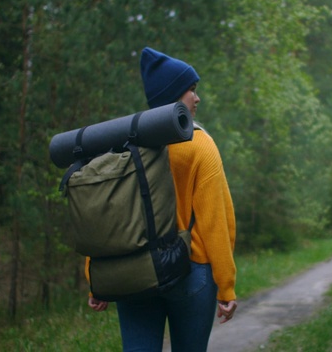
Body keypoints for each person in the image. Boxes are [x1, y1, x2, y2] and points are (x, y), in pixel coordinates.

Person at [87, 47, 238, 352]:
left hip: (133, 272)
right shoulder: (200, 145)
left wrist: (96, 274)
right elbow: (215, 223)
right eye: (191, 90)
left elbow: (105, 216)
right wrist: (226, 283)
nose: (197, 99)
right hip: (190, 271)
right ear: (173, 94)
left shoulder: (126, 144)